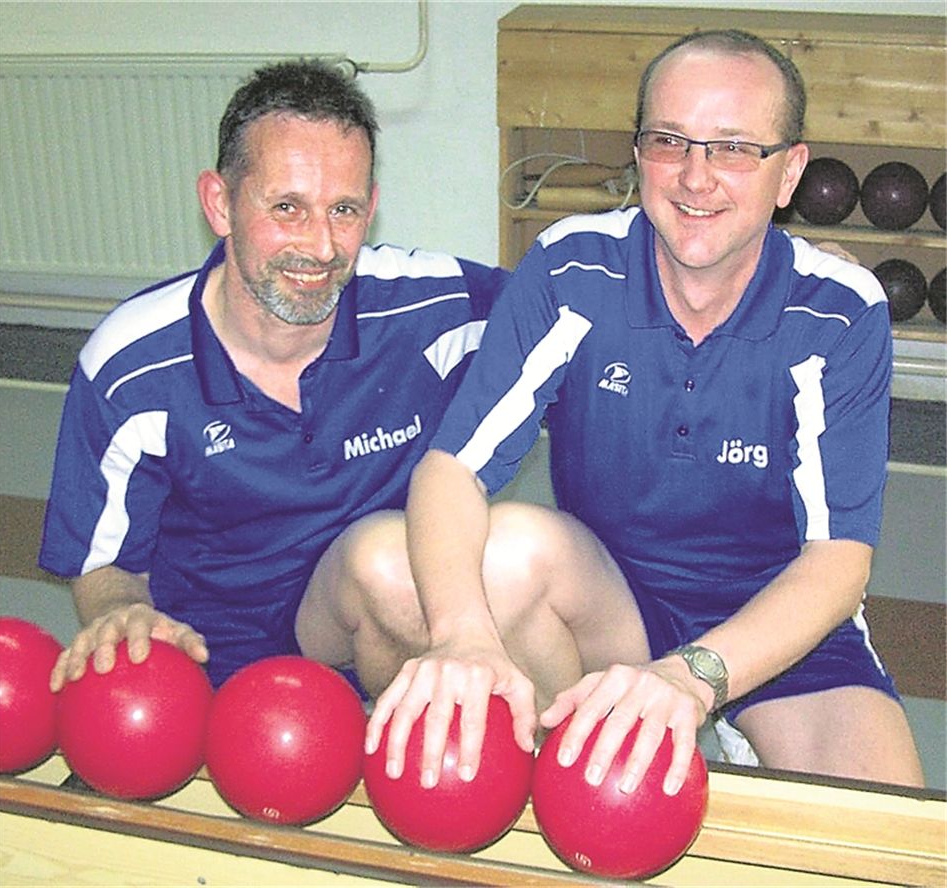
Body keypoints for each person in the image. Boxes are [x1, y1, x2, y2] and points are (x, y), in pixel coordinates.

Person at [365, 29, 924, 793]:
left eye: (733, 148)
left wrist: (696, 678)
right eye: (670, 141)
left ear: (789, 171)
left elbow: (838, 562)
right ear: (638, 153)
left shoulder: (838, 312)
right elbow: (452, 469)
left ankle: (700, 724)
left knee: (886, 845)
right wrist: (462, 635)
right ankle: (577, 761)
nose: (696, 179)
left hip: (779, 614)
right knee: (508, 549)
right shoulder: (571, 269)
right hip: (614, 600)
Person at [40, 59, 508, 694]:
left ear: (372, 207)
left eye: (343, 210)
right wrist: (123, 612)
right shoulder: (131, 369)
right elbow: (102, 565)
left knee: (436, 560)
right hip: (212, 672)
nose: (320, 247)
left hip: (381, 639)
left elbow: (577, 313)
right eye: (288, 208)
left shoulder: (429, 309)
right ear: (220, 204)